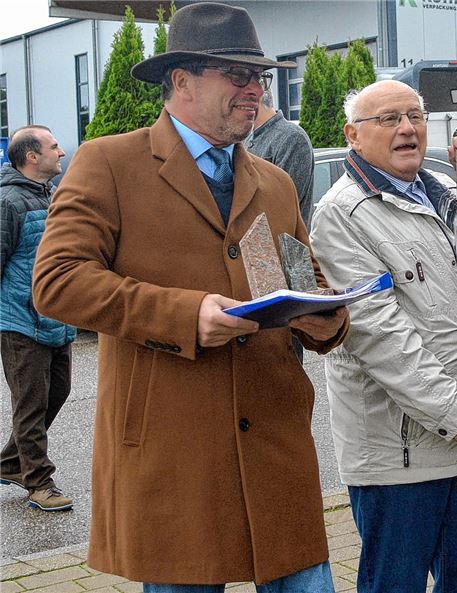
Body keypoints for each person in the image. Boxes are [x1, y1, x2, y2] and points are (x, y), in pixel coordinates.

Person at [31, 3, 349, 591]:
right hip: (175, 453)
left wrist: (325, 314)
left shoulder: (274, 182)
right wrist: (184, 314)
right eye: (238, 75)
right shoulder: (108, 163)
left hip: (277, 454)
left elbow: (304, 279)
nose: (256, 89)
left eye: (261, 77)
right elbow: (56, 281)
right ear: (181, 80)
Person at [308, 79, 457, 593]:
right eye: (388, 119)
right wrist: (455, 412)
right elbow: (379, 335)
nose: (407, 128)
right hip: (401, 458)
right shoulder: (341, 215)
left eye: (416, 116)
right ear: (351, 135)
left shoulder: (448, 189)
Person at [0, 125, 76, 512]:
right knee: (30, 404)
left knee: (56, 393)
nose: (60, 152)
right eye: (53, 146)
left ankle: (11, 463)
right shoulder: (8, 201)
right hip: (19, 321)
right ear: (32, 156)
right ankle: (39, 483)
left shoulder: (49, 194)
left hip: (55, 319)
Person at [246, 80, 315, 227]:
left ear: (256, 97)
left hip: (282, 244)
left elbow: (283, 204)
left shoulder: (291, 137)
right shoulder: (249, 139)